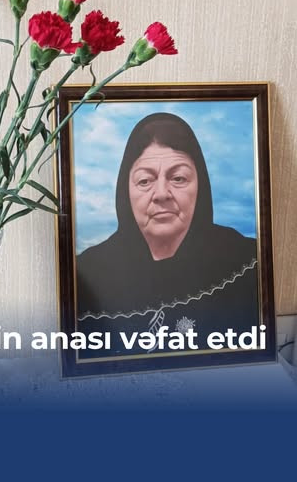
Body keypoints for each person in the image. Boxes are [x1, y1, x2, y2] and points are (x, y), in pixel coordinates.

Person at [76, 112, 259, 357]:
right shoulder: (85, 274)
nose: (161, 193)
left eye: (178, 178)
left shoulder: (248, 263)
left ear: (201, 186)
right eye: (144, 181)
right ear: (125, 191)